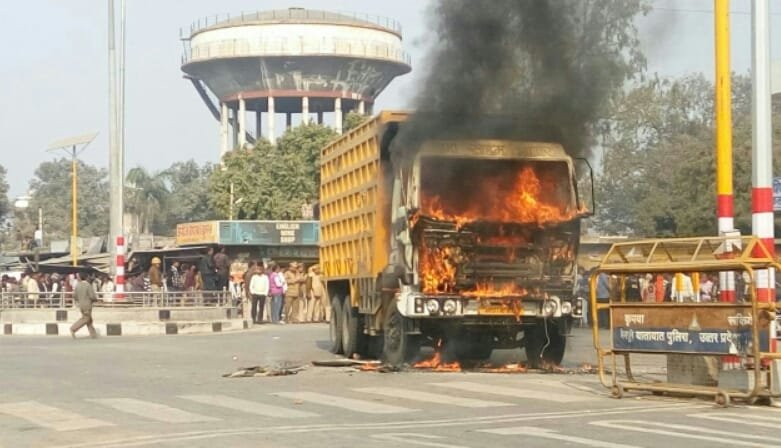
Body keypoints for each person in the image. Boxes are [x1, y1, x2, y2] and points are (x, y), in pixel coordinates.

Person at [69, 272, 98, 339]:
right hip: (87, 305)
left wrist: (79, 300)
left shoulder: (78, 285)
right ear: (86, 277)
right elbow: (92, 296)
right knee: (86, 318)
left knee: (89, 320)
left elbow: (75, 296)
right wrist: (95, 300)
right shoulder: (88, 285)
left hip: (81, 305)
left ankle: (93, 334)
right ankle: (73, 329)